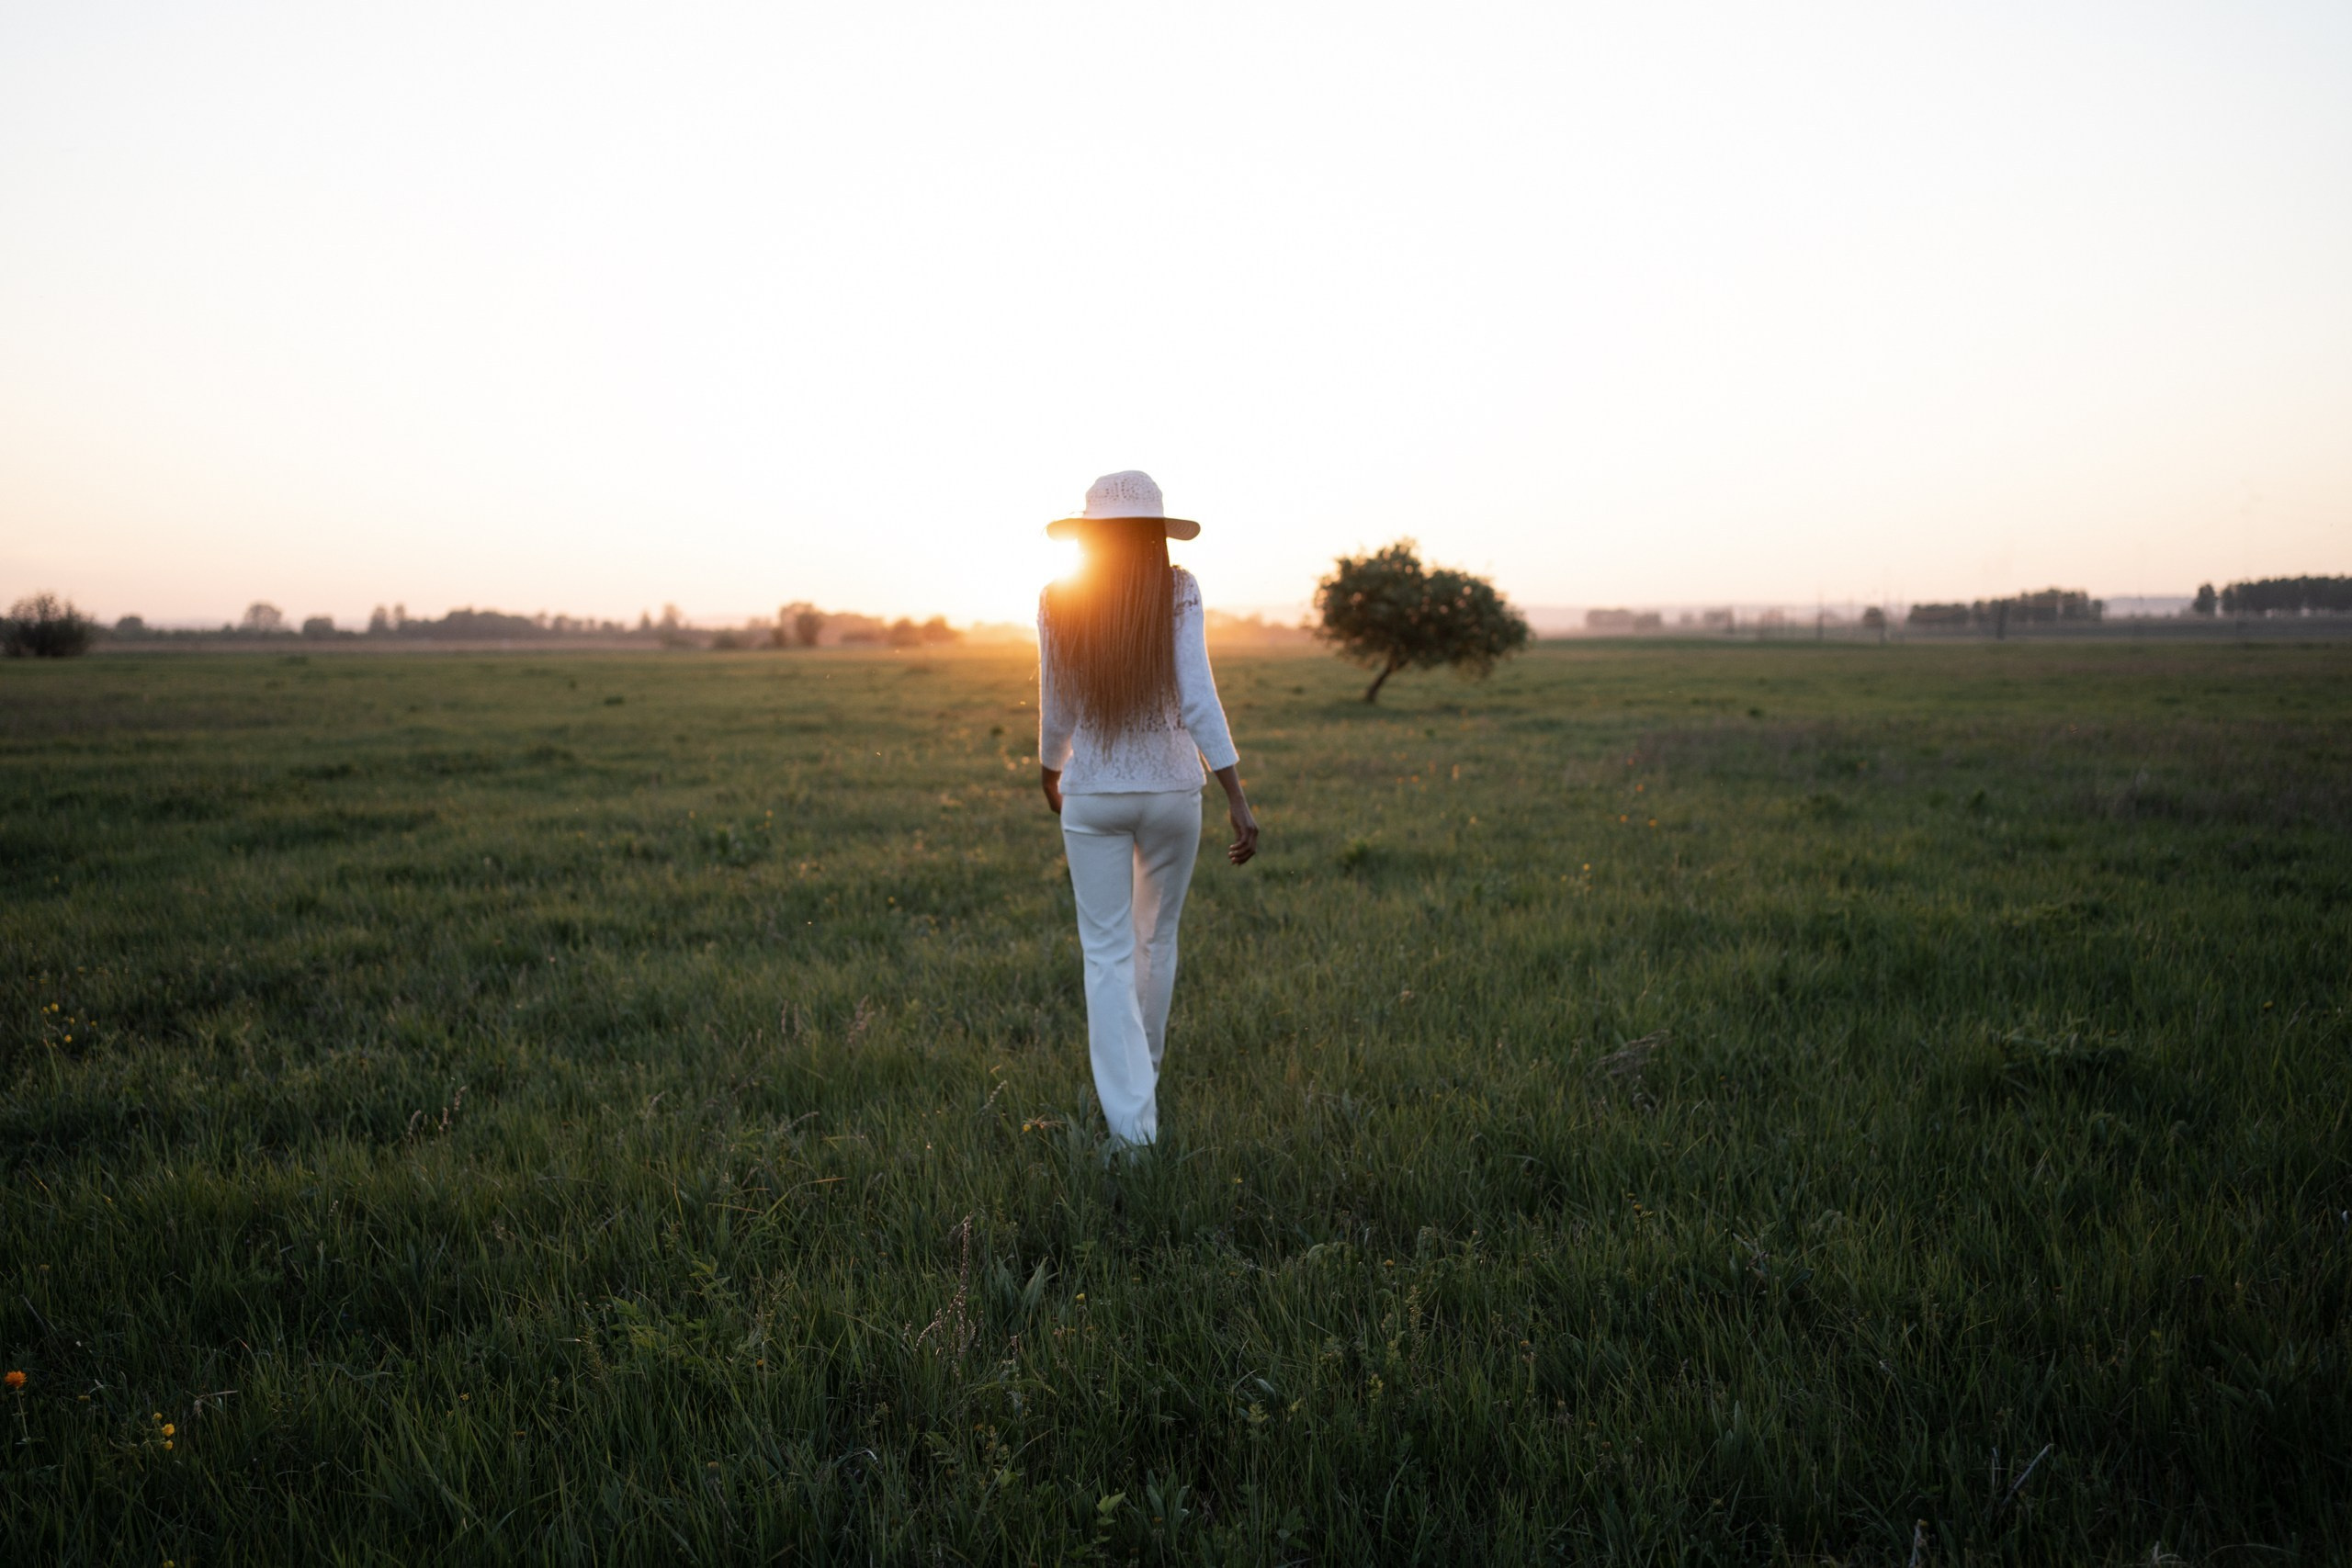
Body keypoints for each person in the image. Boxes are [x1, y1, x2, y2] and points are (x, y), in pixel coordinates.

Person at [1037, 470, 1259, 1154]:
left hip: (1093, 793)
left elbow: (1058, 701)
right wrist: (1235, 794)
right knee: (1155, 941)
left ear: (1092, 533)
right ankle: (1143, 1089)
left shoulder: (1058, 597)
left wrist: (1051, 768)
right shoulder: (1180, 588)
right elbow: (1197, 695)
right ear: (1154, 533)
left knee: (1104, 955)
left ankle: (1131, 1130)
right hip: (1172, 792)